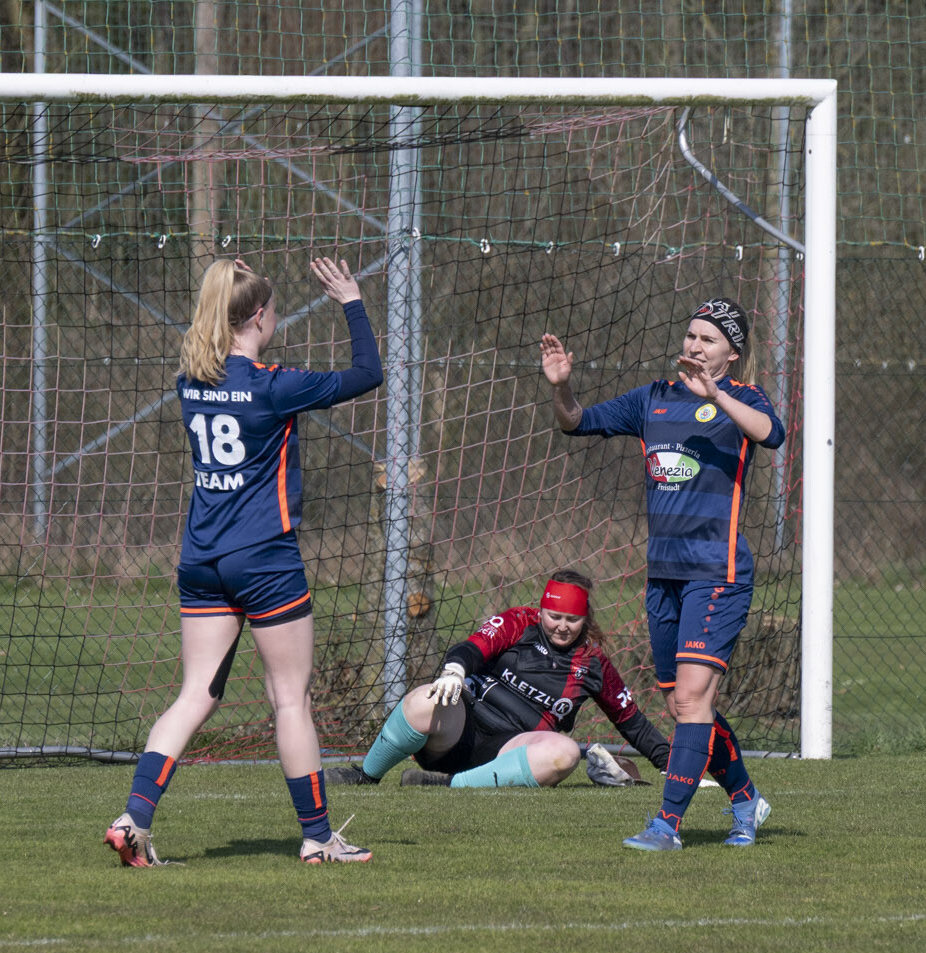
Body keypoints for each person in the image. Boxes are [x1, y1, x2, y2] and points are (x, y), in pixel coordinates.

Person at [105, 255, 382, 866]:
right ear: (258, 317)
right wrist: (351, 302)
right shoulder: (274, 385)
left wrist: (230, 282)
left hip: (201, 558)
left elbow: (220, 346)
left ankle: (134, 818)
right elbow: (368, 373)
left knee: (194, 696)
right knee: (290, 699)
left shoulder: (190, 382)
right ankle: (317, 838)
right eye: (272, 309)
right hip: (264, 559)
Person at [541, 298, 781, 848]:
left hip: (717, 572)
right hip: (664, 577)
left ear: (731, 354)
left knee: (693, 699)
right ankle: (746, 799)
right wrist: (562, 387)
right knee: (682, 704)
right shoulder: (652, 397)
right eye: (691, 334)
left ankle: (667, 825)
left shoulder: (742, 398)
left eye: (709, 339)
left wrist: (716, 396)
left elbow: (772, 434)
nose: (695, 345)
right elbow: (577, 422)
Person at [330, 569, 672, 791]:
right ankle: (366, 775)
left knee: (565, 753)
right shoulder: (518, 622)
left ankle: (445, 785)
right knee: (423, 698)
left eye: (572, 619)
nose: (562, 626)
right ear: (541, 610)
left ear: (585, 619)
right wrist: (455, 670)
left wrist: (673, 764)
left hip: (509, 754)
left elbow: (632, 722)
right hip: (460, 730)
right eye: (554, 616)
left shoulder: (593, 663)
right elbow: (472, 647)